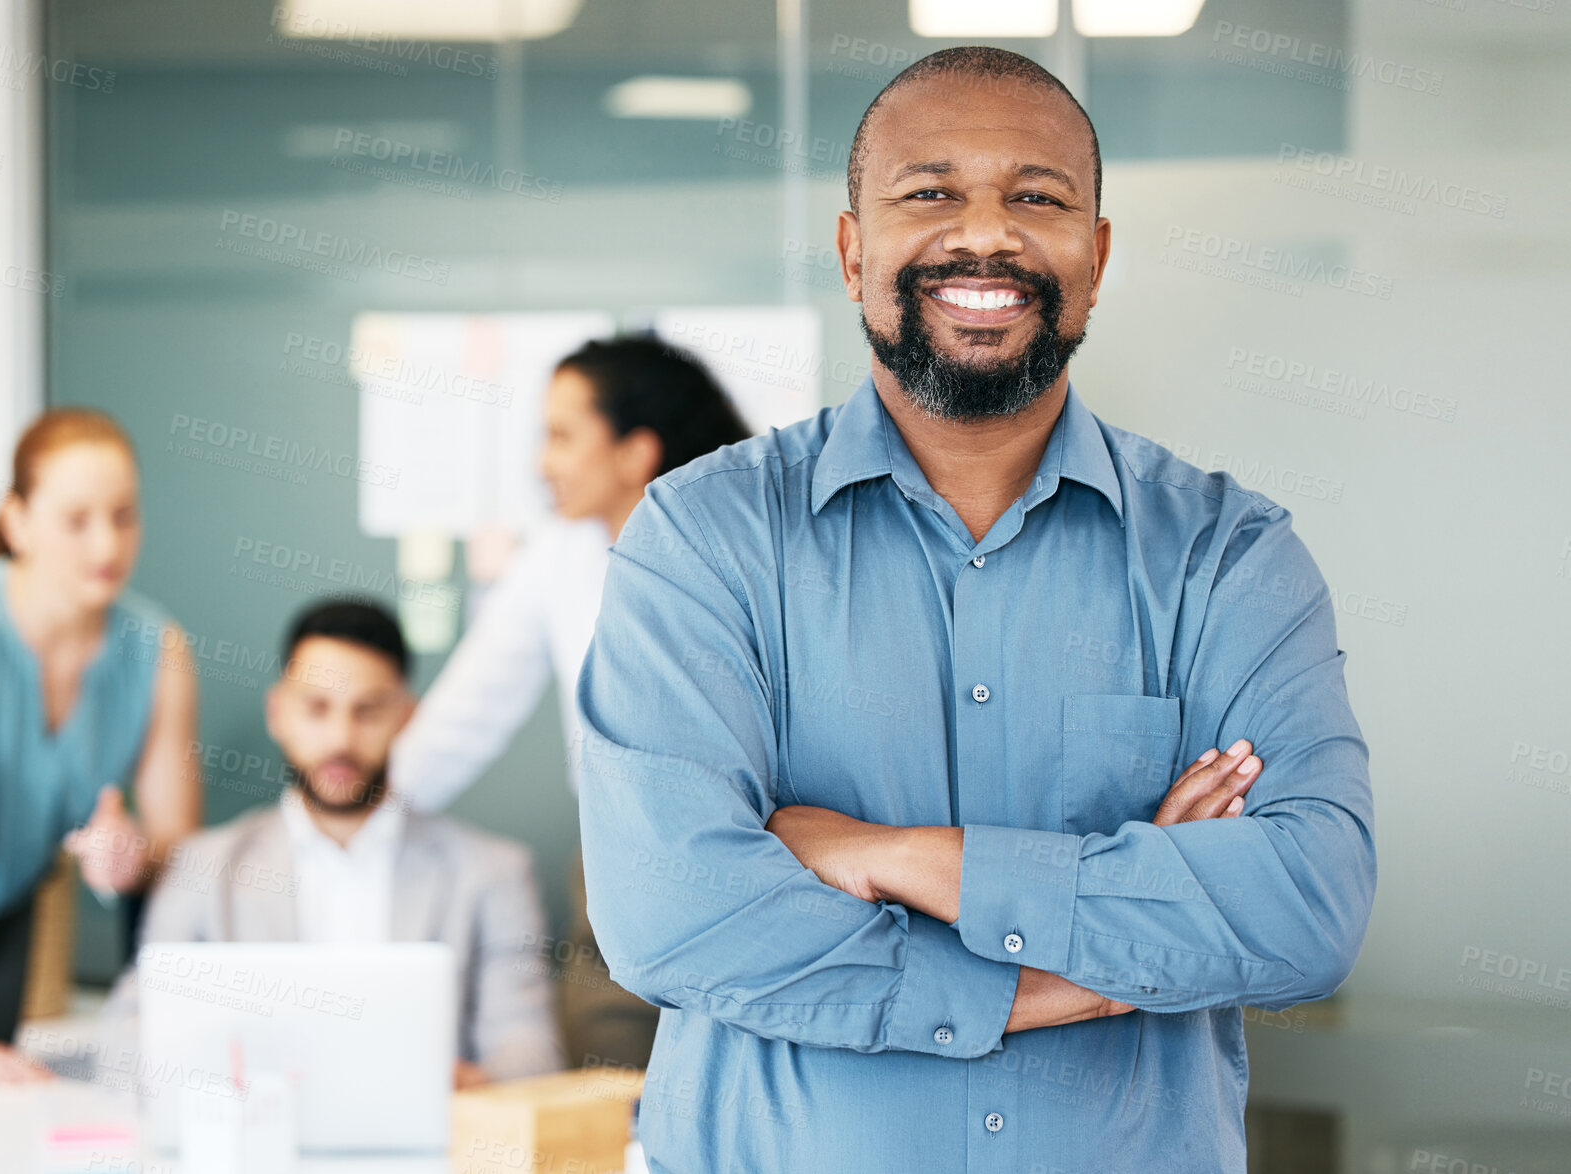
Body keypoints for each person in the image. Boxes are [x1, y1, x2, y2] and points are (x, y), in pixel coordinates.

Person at [576, 46, 1376, 1173]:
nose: (985, 235)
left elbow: (1301, 909)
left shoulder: (1225, 557)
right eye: (929, 192)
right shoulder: (702, 542)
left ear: (1094, 260)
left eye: (1035, 198)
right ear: (854, 250)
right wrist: (1063, 970)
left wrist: (893, 855)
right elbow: (674, 914)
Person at [389, 335, 750, 1068]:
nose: (540, 464)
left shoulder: (742, 554)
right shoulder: (559, 555)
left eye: (560, 436)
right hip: (612, 870)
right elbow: (470, 707)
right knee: (604, 1080)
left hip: (743, 875)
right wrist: (366, 804)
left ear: (634, 452)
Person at [0, 409, 201, 1082]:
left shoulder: (157, 650)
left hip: (1, 920)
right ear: (17, 522)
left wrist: (125, 857)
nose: (107, 545)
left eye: (124, 515)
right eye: (76, 520)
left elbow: (176, 853)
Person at [121, 599, 563, 1087]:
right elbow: (128, 1031)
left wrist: (473, 1083)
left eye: (367, 711)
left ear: (406, 718)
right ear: (278, 713)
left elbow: (531, 1052)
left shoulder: (493, 873)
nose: (341, 738)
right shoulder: (201, 867)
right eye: (316, 708)